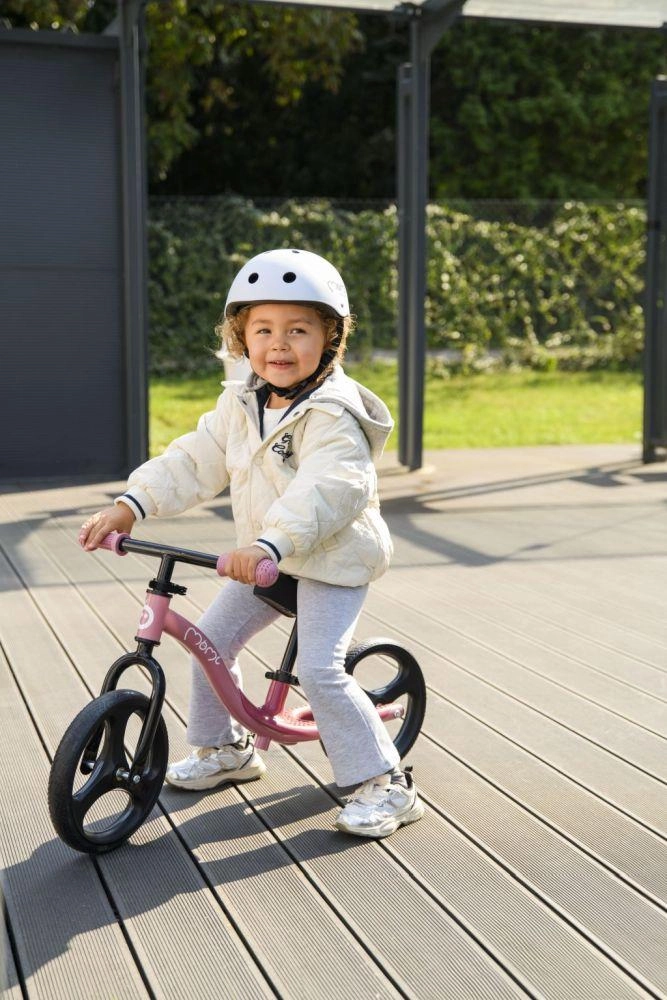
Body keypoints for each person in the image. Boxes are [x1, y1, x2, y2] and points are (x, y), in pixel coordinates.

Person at [79, 248, 423, 839]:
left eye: (298, 330)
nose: (278, 345)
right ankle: (226, 750)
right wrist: (130, 505)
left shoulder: (334, 416)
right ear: (241, 338)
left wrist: (268, 544)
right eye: (263, 330)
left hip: (332, 560)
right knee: (209, 643)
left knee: (320, 669)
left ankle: (386, 783)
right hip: (269, 558)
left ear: (331, 338)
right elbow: (195, 459)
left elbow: (326, 491)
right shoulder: (242, 402)